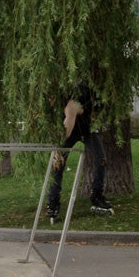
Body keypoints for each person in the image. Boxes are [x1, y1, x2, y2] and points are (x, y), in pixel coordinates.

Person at [47, 84, 112, 223]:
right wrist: (57, 151)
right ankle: (53, 203)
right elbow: (61, 130)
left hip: (87, 129)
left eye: (50, 98)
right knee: (57, 165)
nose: (49, 101)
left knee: (101, 160)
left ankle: (97, 197)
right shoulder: (55, 104)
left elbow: (67, 129)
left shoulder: (73, 102)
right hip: (69, 131)